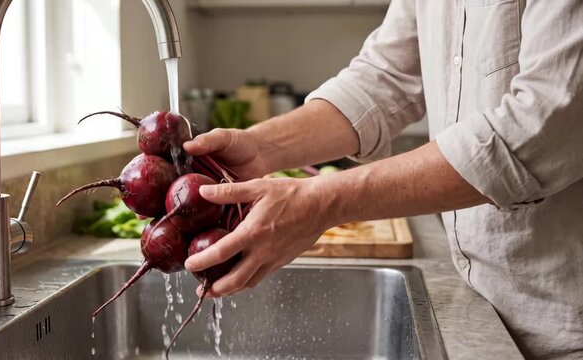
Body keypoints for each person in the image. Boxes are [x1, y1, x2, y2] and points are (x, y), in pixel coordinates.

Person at [182, 1, 583, 358]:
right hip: (482, 309)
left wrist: (325, 201)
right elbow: (384, 78)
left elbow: (546, 124)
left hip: (566, 323)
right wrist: (261, 147)